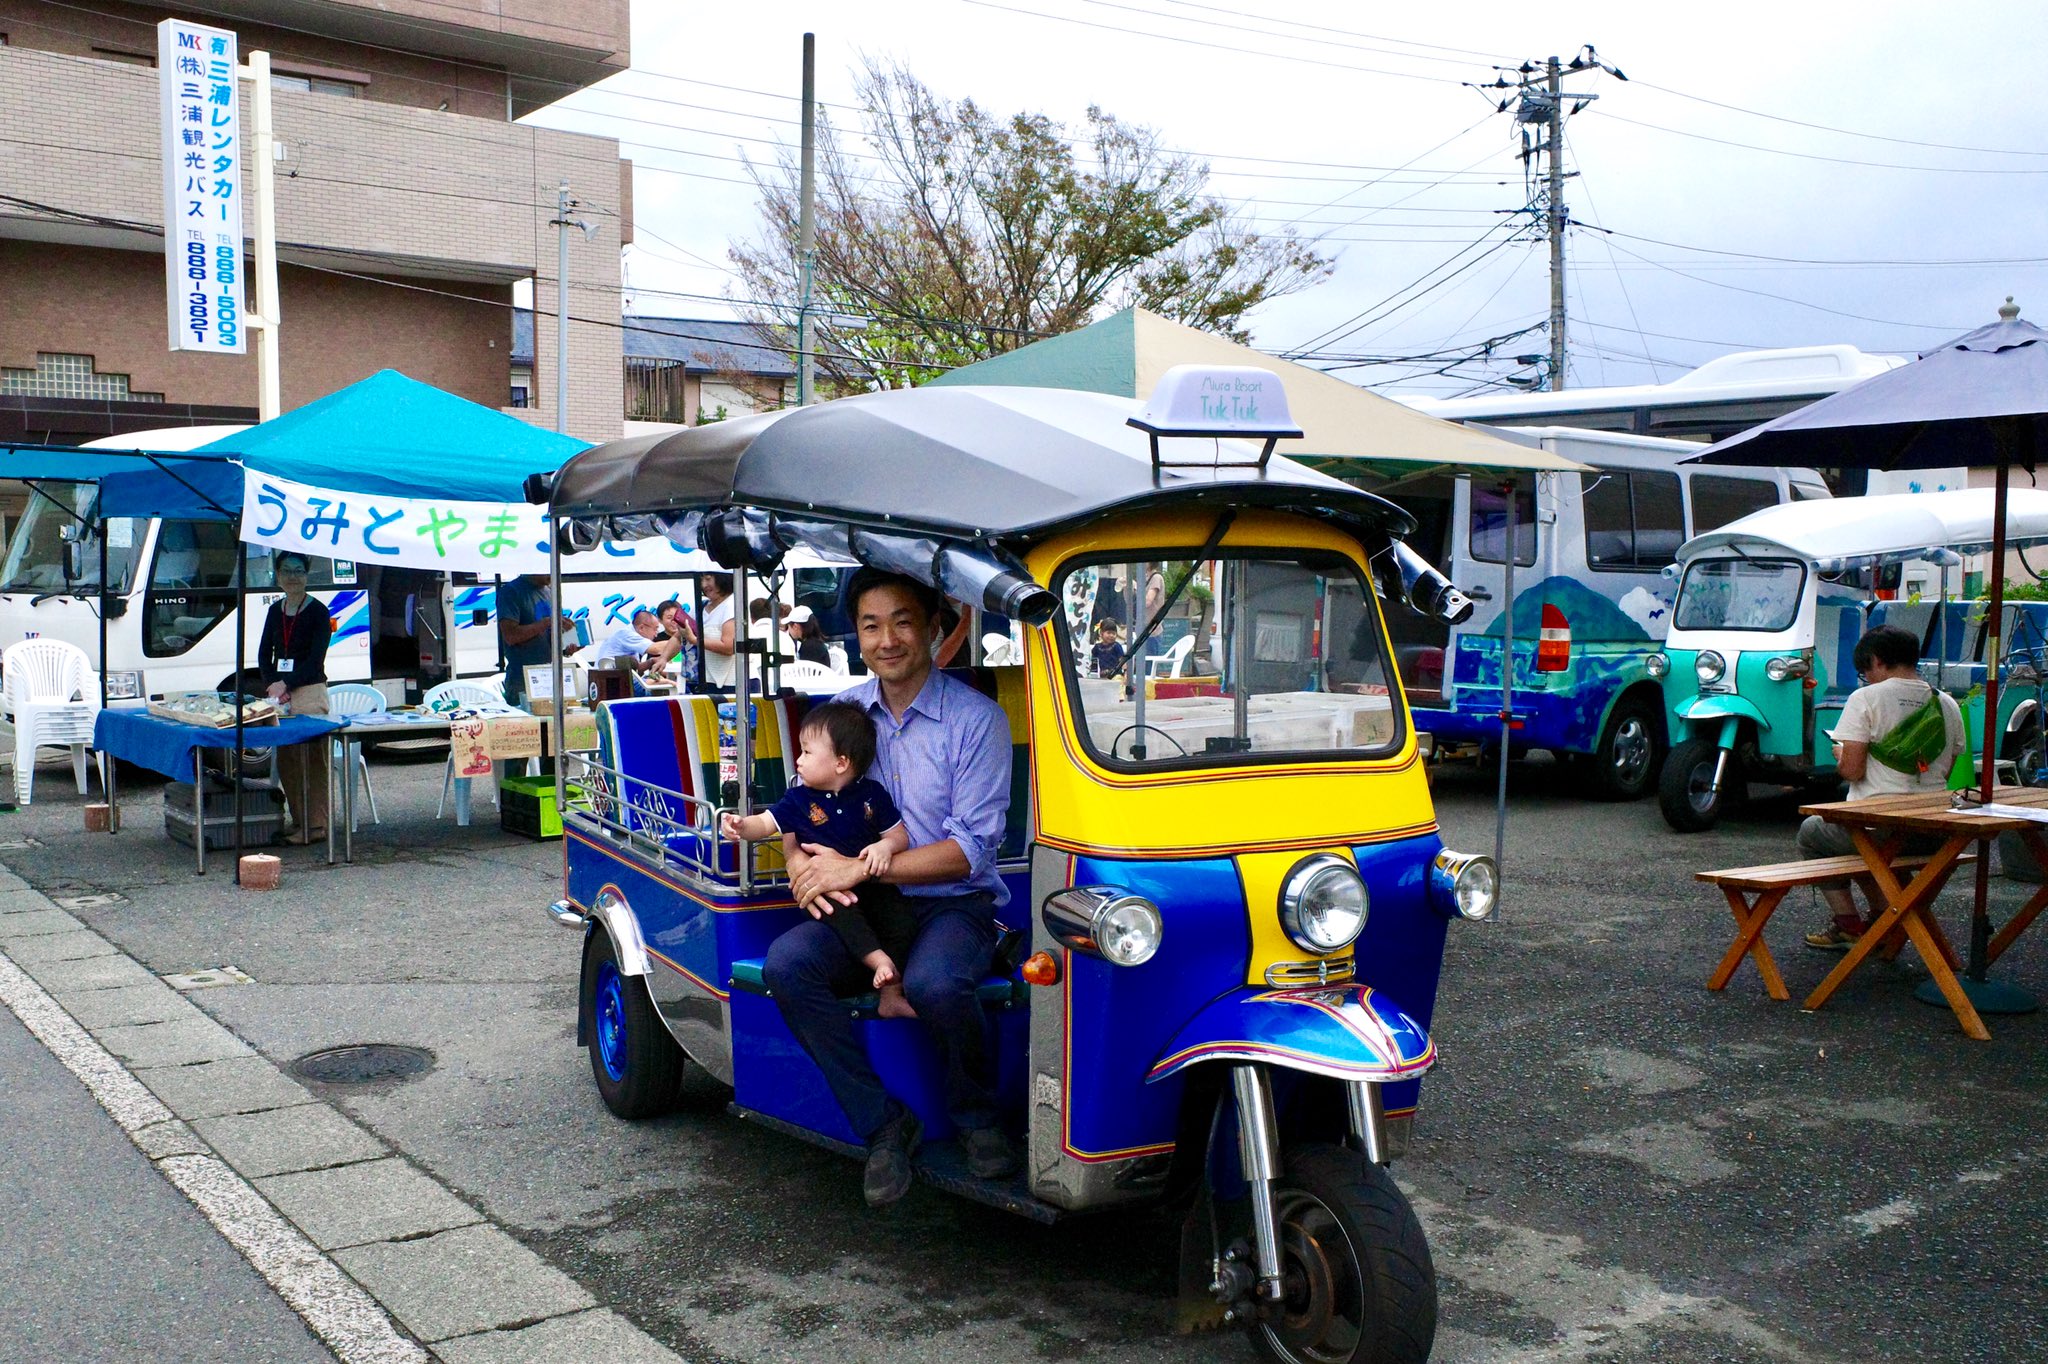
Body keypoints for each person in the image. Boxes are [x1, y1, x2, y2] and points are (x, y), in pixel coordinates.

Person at [760, 568, 1017, 1207]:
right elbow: (797, 804)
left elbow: (971, 851)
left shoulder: (977, 721)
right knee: (788, 966)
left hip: (952, 905)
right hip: (865, 912)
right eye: (871, 625)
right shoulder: (842, 716)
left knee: (937, 984)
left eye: (903, 621)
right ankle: (883, 1124)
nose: (887, 639)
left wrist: (858, 868)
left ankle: (977, 1116)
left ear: (935, 627)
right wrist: (800, 867)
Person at [721, 702, 915, 1017]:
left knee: (902, 921)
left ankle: (891, 994)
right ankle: (878, 961)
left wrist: (885, 849)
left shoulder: (872, 795)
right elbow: (766, 824)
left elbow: (898, 835)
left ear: (841, 763)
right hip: (831, 891)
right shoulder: (797, 800)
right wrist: (741, 826)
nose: (798, 760)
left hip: (873, 883)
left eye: (807, 753)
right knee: (841, 914)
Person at [1800, 623, 1966, 950]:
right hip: (1936, 835)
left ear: (1876, 661)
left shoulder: (1866, 698)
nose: (1867, 678)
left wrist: (1841, 753)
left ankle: (1855, 922)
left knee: (1814, 833)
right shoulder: (1947, 704)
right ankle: (1885, 917)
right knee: (1858, 843)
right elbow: (1946, 770)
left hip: (1882, 830)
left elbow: (1851, 770)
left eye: (1865, 671)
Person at [256, 552, 331, 846]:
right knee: (288, 760)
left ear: (307, 575)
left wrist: (286, 682)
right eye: (286, 570)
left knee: (312, 761)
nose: (292, 576)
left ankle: (316, 826)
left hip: (310, 691)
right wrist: (272, 684)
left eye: (298, 571)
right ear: (277, 575)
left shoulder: (318, 611)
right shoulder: (275, 610)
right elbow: (264, 653)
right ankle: (299, 821)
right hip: (282, 696)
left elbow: (315, 661)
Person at [497, 573, 580, 705]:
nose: (553, 574)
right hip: (521, 680)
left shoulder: (551, 590)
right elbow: (511, 636)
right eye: (548, 570)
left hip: (549, 676)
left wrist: (566, 647)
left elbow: (551, 635)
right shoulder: (511, 591)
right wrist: (546, 622)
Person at [593, 608, 664, 672]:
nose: (656, 634)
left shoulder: (631, 636)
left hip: (616, 677)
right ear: (641, 628)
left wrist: (651, 661)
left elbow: (636, 668)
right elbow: (656, 649)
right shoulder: (627, 634)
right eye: (655, 629)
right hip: (608, 679)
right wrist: (674, 641)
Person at [699, 573, 737, 688]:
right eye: (701, 580)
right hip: (709, 679)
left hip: (733, 681)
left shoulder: (732, 604)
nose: (704, 585)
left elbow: (729, 647)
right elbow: (679, 635)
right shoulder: (702, 606)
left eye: (708, 579)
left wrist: (696, 640)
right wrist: (663, 658)